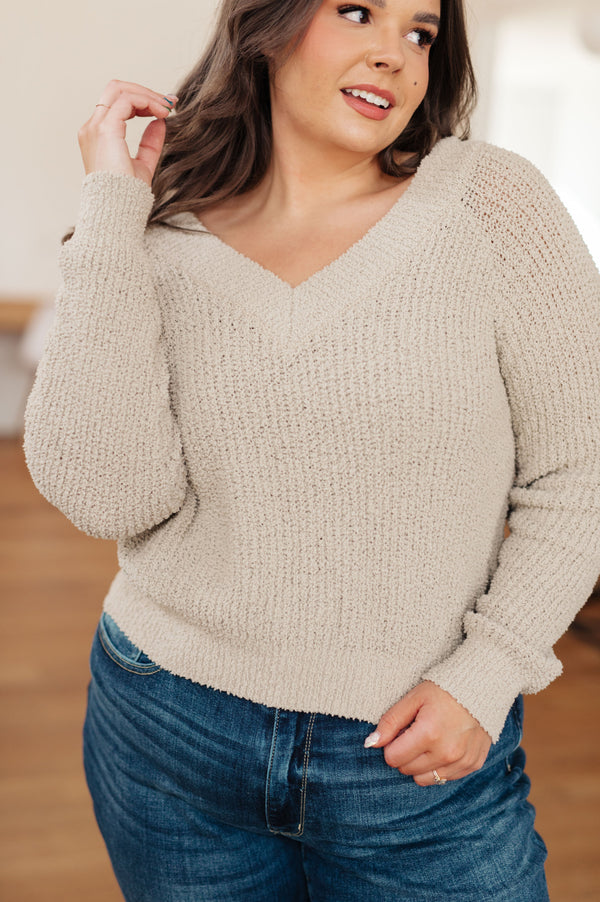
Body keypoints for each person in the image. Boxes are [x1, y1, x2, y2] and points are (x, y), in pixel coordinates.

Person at [22, 0, 600, 899]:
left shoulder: (491, 205)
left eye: (420, 32)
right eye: (358, 11)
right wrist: (111, 207)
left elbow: (581, 471)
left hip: (412, 757)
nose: (395, 55)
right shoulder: (159, 229)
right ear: (267, 25)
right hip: (166, 730)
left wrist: (488, 674)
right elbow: (109, 498)